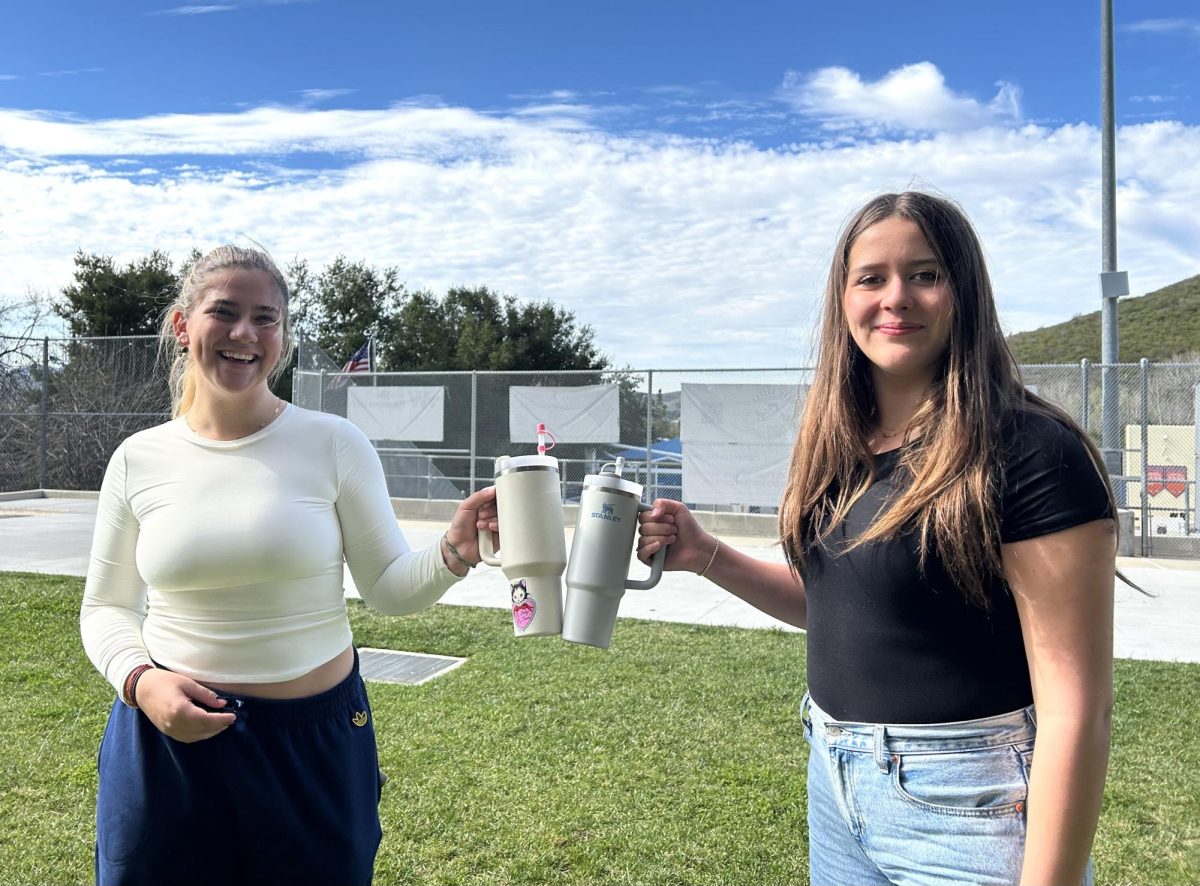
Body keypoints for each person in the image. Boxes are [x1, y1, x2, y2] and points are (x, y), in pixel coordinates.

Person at [638, 192, 1116, 886]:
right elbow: (836, 607)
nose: (896, 298)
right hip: (834, 781)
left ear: (965, 293)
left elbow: (1078, 711)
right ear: (843, 299)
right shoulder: (840, 447)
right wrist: (706, 554)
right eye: (872, 278)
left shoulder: (1032, 453)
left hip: (970, 806)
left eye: (924, 274)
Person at [80, 245, 498, 886]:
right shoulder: (139, 459)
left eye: (265, 318)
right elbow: (106, 606)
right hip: (164, 749)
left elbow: (387, 588)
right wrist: (140, 682)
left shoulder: (334, 443)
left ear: (284, 335)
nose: (245, 333)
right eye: (225, 312)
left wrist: (452, 554)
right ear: (182, 325)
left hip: (310, 745)